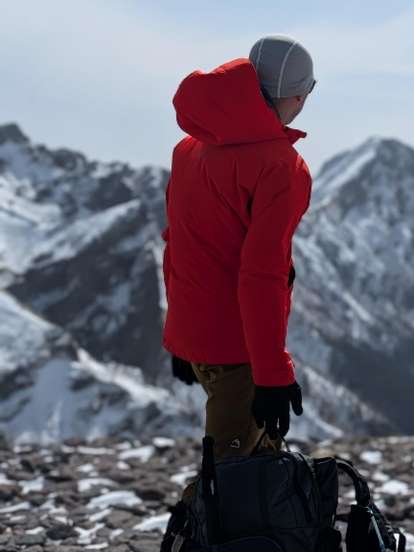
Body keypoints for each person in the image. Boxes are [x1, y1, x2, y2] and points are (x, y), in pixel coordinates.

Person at [160, 35, 316, 505]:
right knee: (228, 487)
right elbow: (263, 276)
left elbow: (180, 246)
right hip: (239, 351)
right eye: (306, 91)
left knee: (258, 480)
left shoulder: (190, 148)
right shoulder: (281, 167)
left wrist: (182, 337)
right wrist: (271, 374)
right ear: (292, 95)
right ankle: (189, 534)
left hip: (202, 340)